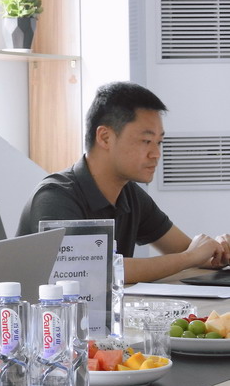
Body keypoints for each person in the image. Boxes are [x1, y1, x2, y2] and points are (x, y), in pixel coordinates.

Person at [16, 81, 230, 284]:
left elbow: (185, 250)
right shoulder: (55, 196)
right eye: (146, 141)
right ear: (105, 137)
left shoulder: (130, 193)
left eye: (159, 142)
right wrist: (190, 257)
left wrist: (217, 252)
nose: (156, 154)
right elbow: (96, 271)